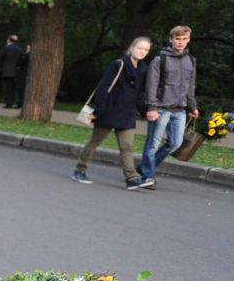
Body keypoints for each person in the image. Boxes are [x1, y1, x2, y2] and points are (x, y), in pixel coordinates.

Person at [72, 36, 150, 188]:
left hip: (127, 114)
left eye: (146, 50)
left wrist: (145, 111)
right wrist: (99, 110)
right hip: (108, 111)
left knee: (127, 147)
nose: (142, 52)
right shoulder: (119, 64)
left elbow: (137, 94)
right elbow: (103, 87)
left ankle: (131, 178)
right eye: (140, 48)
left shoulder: (143, 69)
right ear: (132, 47)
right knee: (94, 143)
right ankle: (79, 170)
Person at [135, 24, 199, 189]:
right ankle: (148, 175)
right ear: (171, 39)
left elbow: (190, 86)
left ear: (188, 40)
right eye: (177, 39)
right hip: (161, 109)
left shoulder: (191, 60)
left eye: (184, 39)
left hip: (180, 110)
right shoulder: (160, 59)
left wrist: (193, 106)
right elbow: (151, 86)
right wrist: (151, 108)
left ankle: (144, 167)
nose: (180, 42)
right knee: (153, 143)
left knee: (175, 143)